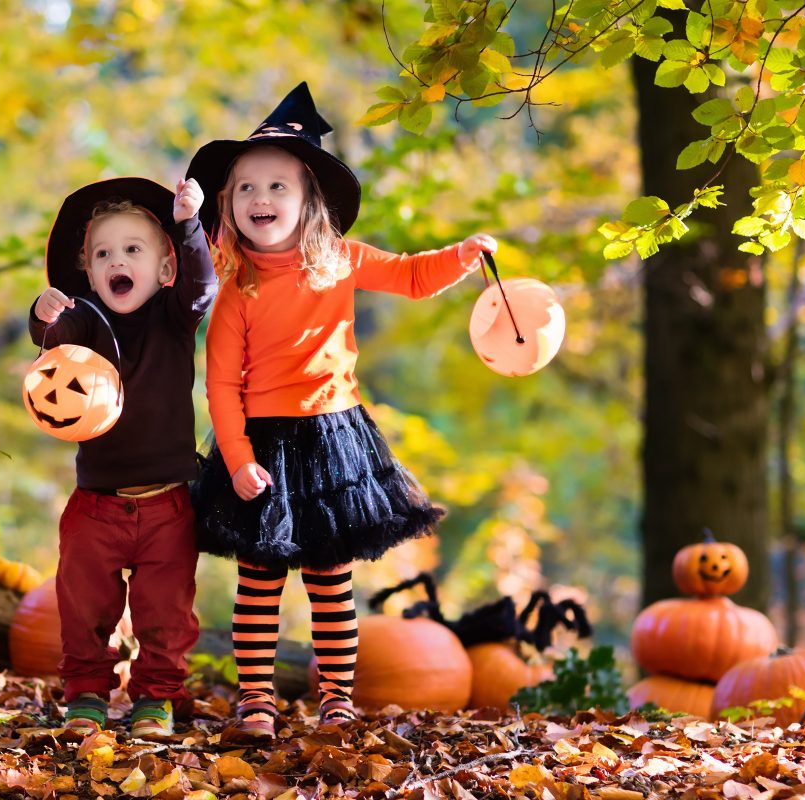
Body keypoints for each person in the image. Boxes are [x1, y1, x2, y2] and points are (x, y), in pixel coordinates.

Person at [186, 83, 498, 738]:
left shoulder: (341, 262)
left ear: (309, 199)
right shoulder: (237, 286)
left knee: (330, 579)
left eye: (277, 186)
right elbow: (218, 384)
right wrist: (237, 461)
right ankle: (258, 700)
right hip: (262, 441)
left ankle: (336, 697)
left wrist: (465, 255)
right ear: (227, 204)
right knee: (260, 579)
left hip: (333, 437)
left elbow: (413, 276)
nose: (261, 199)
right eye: (246, 188)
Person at [28, 176, 217, 739]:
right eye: (104, 253)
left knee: (167, 614)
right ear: (87, 272)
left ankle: (156, 698)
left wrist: (187, 226)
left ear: (163, 269)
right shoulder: (87, 321)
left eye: (133, 249)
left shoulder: (175, 316)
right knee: (84, 607)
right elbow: (52, 340)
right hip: (96, 506)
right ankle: (85, 693)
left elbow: (202, 283)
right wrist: (43, 314)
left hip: (168, 506)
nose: (118, 260)